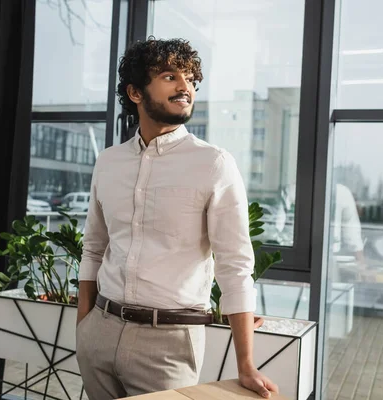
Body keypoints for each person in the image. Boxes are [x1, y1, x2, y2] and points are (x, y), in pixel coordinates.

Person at [75, 37, 278, 399]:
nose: (185, 87)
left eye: (191, 79)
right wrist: (84, 326)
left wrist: (246, 364)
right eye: (170, 76)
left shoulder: (214, 164)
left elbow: (234, 265)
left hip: (168, 345)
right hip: (99, 334)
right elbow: (94, 248)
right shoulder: (108, 162)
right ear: (135, 92)